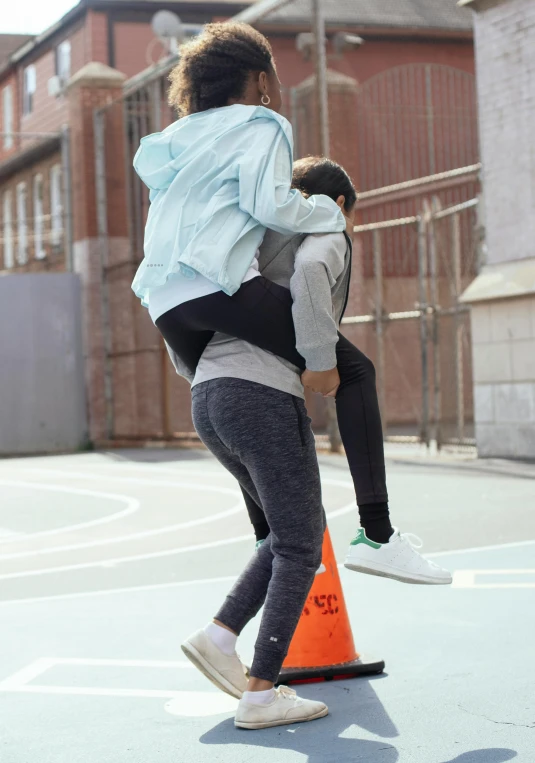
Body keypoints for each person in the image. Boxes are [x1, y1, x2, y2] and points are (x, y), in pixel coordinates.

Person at [133, 22, 450, 584]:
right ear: (257, 80)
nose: (273, 92)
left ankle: (267, 539)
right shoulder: (261, 124)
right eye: (271, 80)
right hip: (216, 284)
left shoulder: (181, 137)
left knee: (228, 388)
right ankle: (377, 534)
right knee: (353, 372)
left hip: (163, 297)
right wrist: (329, 214)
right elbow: (271, 203)